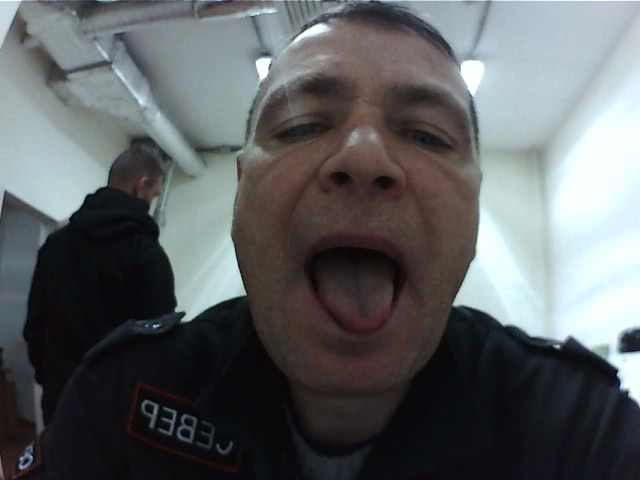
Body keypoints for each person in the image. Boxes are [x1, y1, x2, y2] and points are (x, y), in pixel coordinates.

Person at [14, 2, 640, 479]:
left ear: (473, 205)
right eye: (301, 126)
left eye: (426, 135)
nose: (364, 158)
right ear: (241, 193)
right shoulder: (119, 399)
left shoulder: (581, 430)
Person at [22, 146, 177, 426]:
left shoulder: (56, 244)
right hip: (116, 410)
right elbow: (159, 345)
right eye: (155, 194)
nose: (153, 203)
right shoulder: (147, 255)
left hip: (59, 399)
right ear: (140, 186)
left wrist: (52, 377)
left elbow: (35, 326)